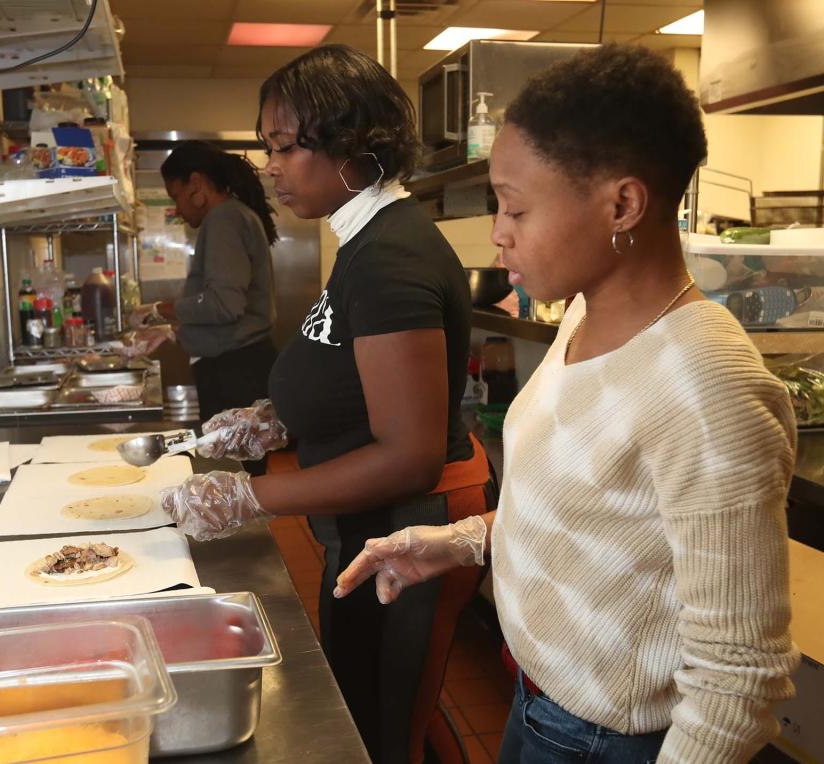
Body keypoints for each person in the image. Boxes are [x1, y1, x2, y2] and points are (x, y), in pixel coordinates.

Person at [333, 44, 800, 764]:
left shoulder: (709, 385)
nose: (497, 230)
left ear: (622, 203)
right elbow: (594, 521)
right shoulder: (584, 319)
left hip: (616, 744)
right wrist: (459, 543)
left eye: (516, 207)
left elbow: (741, 677)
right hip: (539, 707)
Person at [161, 45, 497, 764]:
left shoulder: (390, 257)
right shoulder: (360, 243)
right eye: (268, 146)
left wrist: (253, 496)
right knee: (372, 694)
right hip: (370, 522)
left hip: (407, 524)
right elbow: (350, 369)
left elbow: (407, 455)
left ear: (354, 144)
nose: (271, 166)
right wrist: (276, 416)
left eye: (285, 146)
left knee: (378, 723)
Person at [127, 140, 279, 429]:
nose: (176, 209)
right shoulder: (234, 215)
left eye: (175, 196)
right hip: (240, 366)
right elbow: (227, 307)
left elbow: (223, 304)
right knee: (238, 468)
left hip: (235, 372)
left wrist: (159, 310)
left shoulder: (225, 218)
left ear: (195, 184)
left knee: (236, 469)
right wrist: (172, 331)